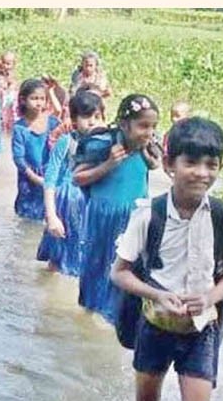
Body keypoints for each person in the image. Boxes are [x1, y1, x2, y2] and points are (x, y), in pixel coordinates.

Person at [110, 117, 223, 401]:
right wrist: (157, 295)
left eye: (211, 164)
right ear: (170, 165)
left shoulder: (221, 214)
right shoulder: (149, 216)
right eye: (191, 163)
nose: (201, 173)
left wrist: (210, 298)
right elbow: (120, 274)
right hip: (155, 327)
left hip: (202, 330)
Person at [74, 93, 162, 323]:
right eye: (143, 126)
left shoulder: (149, 146)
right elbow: (78, 178)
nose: (149, 132)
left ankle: (117, 320)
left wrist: (152, 160)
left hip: (135, 217)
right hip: (104, 218)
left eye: (153, 126)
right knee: (98, 266)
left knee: (128, 270)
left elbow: (157, 167)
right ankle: (89, 320)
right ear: (123, 124)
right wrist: (109, 164)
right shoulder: (103, 144)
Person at [36, 90, 106, 275]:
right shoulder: (67, 142)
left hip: (90, 209)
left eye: (97, 116)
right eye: (86, 116)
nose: (92, 122)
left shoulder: (105, 145)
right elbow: (50, 180)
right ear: (74, 120)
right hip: (65, 206)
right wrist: (51, 216)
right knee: (57, 260)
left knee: (85, 260)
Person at [12, 78, 61, 220]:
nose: (39, 103)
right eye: (34, 98)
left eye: (42, 99)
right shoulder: (20, 128)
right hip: (28, 177)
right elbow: (19, 159)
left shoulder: (51, 122)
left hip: (49, 173)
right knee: (27, 215)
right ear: (23, 100)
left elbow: (59, 112)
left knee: (49, 212)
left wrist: (51, 91)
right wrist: (36, 178)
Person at [0, 51, 19, 132]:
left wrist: (7, 87)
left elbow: (12, 86)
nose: (5, 66)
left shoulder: (11, 74)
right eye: (3, 62)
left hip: (8, 97)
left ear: (13, 65)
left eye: (8, 64)